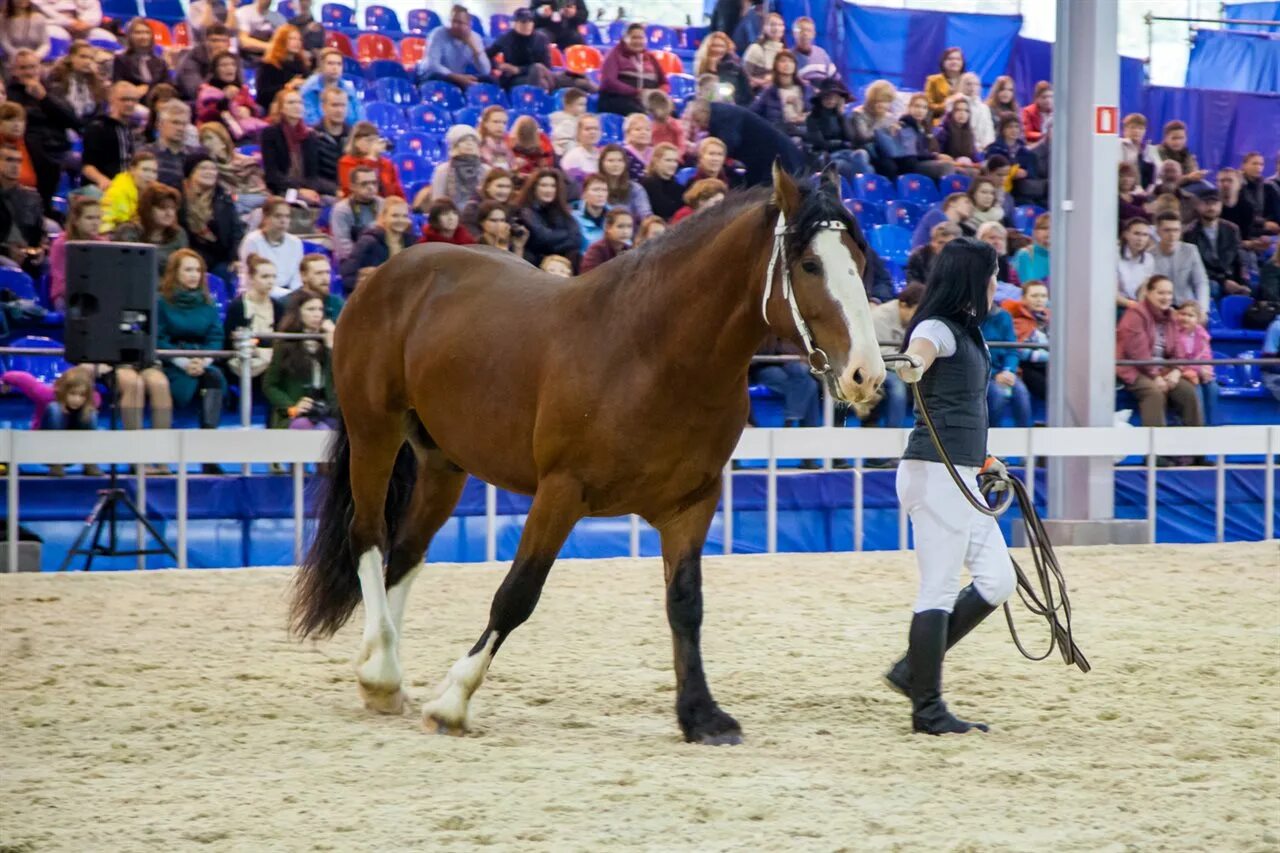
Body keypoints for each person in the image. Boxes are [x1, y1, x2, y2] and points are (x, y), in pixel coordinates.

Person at [883, 236, 1017, 736]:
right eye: (993, 274)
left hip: (961, 473)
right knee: (938, 587)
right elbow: (919, 356)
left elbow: (960, 407)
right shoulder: (937, 328)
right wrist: (911, 364)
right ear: (973, 279)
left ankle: (911, 670)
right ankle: (928, 709)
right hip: (936, 475)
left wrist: (982, 456)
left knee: (998, 580)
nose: (997, 282)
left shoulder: (968, 330)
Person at [157, 249, 228, 461]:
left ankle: (208, 452)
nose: (194, 275)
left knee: (214, 378)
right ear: (175, 273)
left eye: (198, 270)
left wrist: (203, 361)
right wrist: (183, 362)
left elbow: (216, 337)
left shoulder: (207, 304)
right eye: (188, 270)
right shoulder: (161, 302)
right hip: (171, 363)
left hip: (201, 361)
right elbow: (158, 339)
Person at [1115, 274, 1204, 432]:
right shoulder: (1135, 314)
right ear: (1149, 293)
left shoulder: (1171, 316)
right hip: (1133, 368)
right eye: (1161, 293)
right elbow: (1137, 353)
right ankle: (1155, 453)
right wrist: (1155, 376)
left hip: (1162, 369)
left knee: (1188, 391)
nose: (1166, 297)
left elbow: (1178, 348)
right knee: (1153, 392)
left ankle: (1196, 453)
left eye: (1169, 293)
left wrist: (1177, 370)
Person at [8, 49, 79, 211]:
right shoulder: (10, 93)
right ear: (14, 71)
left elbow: (73, 121)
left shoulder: (53, 91)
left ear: (40, 68)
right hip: (30, 150)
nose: (29, 72)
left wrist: (44, 99)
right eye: (23, 68)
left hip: (57, 149)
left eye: (33, 67)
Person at [683, 98, 804, 188]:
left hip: (779, 162)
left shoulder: (723, 115)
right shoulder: (720, 113)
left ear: (700, 113)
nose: (698, 126)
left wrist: (697, 150)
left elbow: (728, 144)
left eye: (696, 121)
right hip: (766, 162)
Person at [262, 290, 337, 429]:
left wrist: (331, 348)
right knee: (305, 426)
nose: (317, 314)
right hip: (295, 411)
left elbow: (339, 381)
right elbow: (270, 385)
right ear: (298, 312)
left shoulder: (330, 344)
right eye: (311, 309)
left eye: (320, 309)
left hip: (328, 411)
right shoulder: (285, 344)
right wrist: (291, 407)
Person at [865, 281, 924, 429]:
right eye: (916, 311)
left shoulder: (916, 322)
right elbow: (880, 355)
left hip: (904, 366)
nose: (918, 317)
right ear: (903, 305)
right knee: (898, 389)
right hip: (877, 367)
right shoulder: (879, 318)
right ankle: (894, 437)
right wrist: (909, 363)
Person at [180, 153, 242, 282]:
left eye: (213, 169)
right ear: (191, 172)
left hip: (218, 261)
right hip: (186, 258)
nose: (210, 172)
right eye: (203, 168)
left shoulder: (224, 199)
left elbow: (236, 232)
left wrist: (235, 258)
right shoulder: (179, 199)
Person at [261, 87, 329, 201]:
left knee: (331, 200)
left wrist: (310, 190)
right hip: (281, 189)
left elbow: (312, 175)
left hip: (307, 188)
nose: (297, 106)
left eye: (300, 102)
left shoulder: (310, 136)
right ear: (281, 108)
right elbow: (272, 175)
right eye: (291, 102)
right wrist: (298, 190)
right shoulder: (270, 133)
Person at [224, 252, 283, 381]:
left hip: (273, 363)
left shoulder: (278, 307)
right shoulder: (238, 306)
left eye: (273, 277)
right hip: (245, 363)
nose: (270, 281)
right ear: (251, 278)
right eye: (265, 277)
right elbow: (230, 341)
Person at [112, 183, 189, 275]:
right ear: (147, 209)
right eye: (162, 208)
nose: (169, 213)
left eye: (172, 208)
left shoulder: (179, 234)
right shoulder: (128, 231)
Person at [340, 196, 419, 284]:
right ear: (383, 217)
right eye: (395, 216)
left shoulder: (412, 242)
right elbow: (347, 275)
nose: (401, 220)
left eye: (405, 216)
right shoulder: (368, 242)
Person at [1183, 190, 1248, 298]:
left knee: (1251, 287)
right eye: (1206, 203)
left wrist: (1242, 282)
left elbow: (1239, 259)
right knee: (1213, 287)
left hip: (1230, 276)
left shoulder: (1232, 229)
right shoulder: (1189, 233)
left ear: (1221, 205)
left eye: (1215, 203)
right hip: (1207, 279)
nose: (1211, 207)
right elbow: (1195, 266)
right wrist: (1223, 282)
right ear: (1198, 206)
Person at [196, 51, 269, 142]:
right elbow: (206, 116)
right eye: (224, 65)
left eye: (233, 65)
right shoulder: (206, 90)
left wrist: (249, 110)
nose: (229, 68)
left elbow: (254, 109)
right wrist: (225, 99)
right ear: (215, 70)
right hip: (216, 134)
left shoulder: (242, 89)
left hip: (243, 133)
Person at [515, 167, 581, 268]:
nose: (548, 190)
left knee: (575, 254)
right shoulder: (525, 211)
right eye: (543, 185)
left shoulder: (560, 210)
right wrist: (566, 234)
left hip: (557, 260)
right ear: (534, 188)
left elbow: (575, 238)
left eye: (553, 186)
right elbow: (543, 237)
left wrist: (553, 242)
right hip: (533, 263)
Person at [239, 196, 304, 296]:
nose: (283, 221)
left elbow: (297, 279)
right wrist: (287, 296)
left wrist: (295, 297)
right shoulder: (252, 241)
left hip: (289, 294)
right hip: (259, 293)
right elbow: (253, 280)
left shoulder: (296, 243)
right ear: (265, 218)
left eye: (287, 216)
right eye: (278, 216)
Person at [981, 299, 1032, 427]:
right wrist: (993, 375)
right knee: (997, 395)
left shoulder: (1004, 316)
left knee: (1022, 393)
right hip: (982, 374)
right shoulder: (968, 319)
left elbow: (1012, 350)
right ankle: (991, 438)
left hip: (1004, 371)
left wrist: (1008, 370)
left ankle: (1024, 442)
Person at [80, 81, 139, 191]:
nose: (129, 104)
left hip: (128, 189)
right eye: (124, 99)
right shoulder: (98, 128)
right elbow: (87, 166)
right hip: (103, 190)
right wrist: (103, 180)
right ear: (111, 99)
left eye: (133, 100)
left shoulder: (134, 130)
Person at [199, 120, 268, 211]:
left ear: (223, 140)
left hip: (255, 200)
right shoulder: (210, 168)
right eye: (202, 140)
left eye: (209, 138)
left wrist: (238, 196)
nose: (206, 144)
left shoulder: (246, 163)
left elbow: (261, 194)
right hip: (231, 204)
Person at [417, 4, 491, 89]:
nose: (454, 25)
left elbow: (485, 71)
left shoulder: (475, 38)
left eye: (459, 23)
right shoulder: (438, 34)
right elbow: (432, 65)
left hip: (458, 77)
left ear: (468, 25)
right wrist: (458, 78)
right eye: (453, 21)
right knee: (437, 76)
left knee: (488, 80)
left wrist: (475, 49)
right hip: (431, 75)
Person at [598, 22, 666, 115]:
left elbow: (664, 82)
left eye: (641, 38)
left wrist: (658, 94)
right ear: (625, 39)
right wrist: (636, 92)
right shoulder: (614, 55)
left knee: (670, 112)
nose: (638, 41)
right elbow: (608, 81)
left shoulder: (650, 57)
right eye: (634, 37)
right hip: (619, 99)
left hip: (647, 99)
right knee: (641, 113)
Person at [48, 195, 102, 310]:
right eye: (90, 218)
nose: (95, 223)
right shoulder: (61, 244)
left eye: (98, 218)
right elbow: (60, 282)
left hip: (96, 295)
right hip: (66, 297)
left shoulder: (103, 244)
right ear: (76, 220)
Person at [1151, 210, 1209, 314]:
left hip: (1186, 308)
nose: (1172, 234)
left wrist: (1203, 310)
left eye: (1176, 230)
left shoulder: (1190, 251)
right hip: (1159, 309)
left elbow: (1201, 282)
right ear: (1158, 231)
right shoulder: (1149, 255)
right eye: (1167, 230)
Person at [803, 77, 861, 181]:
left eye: (834, 97)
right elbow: (820, 143)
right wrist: (841, 143)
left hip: (845, 152)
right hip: (826, 154)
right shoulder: (812, 118)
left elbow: (851, 138)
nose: (831, 100)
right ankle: (851, 191)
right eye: (827, 97)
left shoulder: (840, 116)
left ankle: (863, 191)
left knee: (861, 157)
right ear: (820, 98)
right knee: (845, 165)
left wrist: (841, 115)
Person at [486, 8, 557, 92]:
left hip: (540, 74)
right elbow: (487, 55)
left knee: (540, 70)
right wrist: (498, 66)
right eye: (523, 22)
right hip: (515, 78)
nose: (527, 25)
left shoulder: (541, 38)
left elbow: (546, 66)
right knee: (542, 82)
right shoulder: (506, 38)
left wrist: (518, 69)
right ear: (515, 24)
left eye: (530, 21)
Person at [1002, 280, 1049, 402]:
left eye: (1043, 296)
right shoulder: (1016, 320)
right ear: (1023, 298)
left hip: (1049, 364)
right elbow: (1018, 350)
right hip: (1026, 367)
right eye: (1034, 296)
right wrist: (1049, 356)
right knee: (1048, 389)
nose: (1040, 300)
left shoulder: (1051, 318)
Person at [1172, 301, 1217, 426]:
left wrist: (1207, 371)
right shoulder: (1173, 332)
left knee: (1212, 387)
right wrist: (1198, 370)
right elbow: (1176, 359)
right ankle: (1196, 427)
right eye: (1182, 314)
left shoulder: (1202, 335)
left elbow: (1207, 356)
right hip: (1180, 372)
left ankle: (1211, 425)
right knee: (1195, 389)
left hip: (1197, 371)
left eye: (1190, 316)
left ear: (1197, 319)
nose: (1185, 318)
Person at [337, 120, 403, 200]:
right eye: (369, 140)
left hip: (386, 206)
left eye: (375, 140)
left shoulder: (387, 164)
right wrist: (371, 159)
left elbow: (397, 191)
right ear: (356, 143)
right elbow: (354, 191)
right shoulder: (346, 162)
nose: (373, 144)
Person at [429, 123, 489, 208]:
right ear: (454, 144)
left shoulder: (486, 170)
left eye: (473, 140)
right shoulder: (443, 170)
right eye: (464, 140)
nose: (469, 143)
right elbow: (437, 201)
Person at [896, 93, 953, 182]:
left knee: (962, 171)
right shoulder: (905, 125)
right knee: (946, 167)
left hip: (923, 161)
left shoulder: (924, 126)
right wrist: (935, 156)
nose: (920, 110)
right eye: (917, 106)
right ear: (909, 107)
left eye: (924, 107)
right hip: (911, 165)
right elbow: (912, 154)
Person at [256, 25, 311, 118]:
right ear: (281, 41)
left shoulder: (302, 65)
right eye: (292, 39)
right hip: (274, 110)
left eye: (299, 39)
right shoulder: (269, 65)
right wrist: (288, 86)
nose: (296, 42)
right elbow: (263, 95)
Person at [47, 40, 107, 123]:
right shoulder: (57, 80)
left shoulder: (96, 84)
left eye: (91, 58)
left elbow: (99, 115)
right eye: (83, 57)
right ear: (71, 57)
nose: (87, 62)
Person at [148, 100, 204, 190]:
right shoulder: (147, 154)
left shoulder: (197, 156)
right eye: (175, 122)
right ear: (160, 125)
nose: (181, 128)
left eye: (184, 124)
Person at [100, 149, 157, 233]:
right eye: (145, 170)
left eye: (154, 172)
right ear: (132, 170)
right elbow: (109, 223)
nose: (150, 175)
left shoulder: (155, 191)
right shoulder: (119, 190)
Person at [301, 48, 361, 126]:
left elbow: (359, 118)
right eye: (330, 63)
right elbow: (310, 120)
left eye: (339, 64)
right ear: (321, 66)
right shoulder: (309, 88)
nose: (335, 68)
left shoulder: (349, 89)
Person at [693, 31, 751, 108]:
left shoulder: (735, 69)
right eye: (714, 45)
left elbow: (746, 95)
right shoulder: (700, 66)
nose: (717, 49)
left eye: (721, 46)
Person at [310, 86, 350, 195]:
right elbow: (310, 176)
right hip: (324, 193)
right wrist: (335, 190)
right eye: (334, 105)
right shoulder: (311, 135)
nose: (339, 110)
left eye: (343, 105)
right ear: (323, 107)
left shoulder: (353, 135)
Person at [176, 23, 232, 100]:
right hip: (190, 101)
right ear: (205, 41)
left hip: (222, 100)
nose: (219, 45)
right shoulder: (192, 58)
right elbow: (195, 89)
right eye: (214, 41)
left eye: (223, 41)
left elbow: (238, 85)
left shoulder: (231, 59)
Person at [598, 143, 652, 223]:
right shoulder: (596, 188)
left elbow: (646, 215)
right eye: (610, 161)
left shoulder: (636, 189)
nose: (616, 164)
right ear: (602, 164)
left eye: (620, 160)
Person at [112, 18, 166, 90]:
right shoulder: (121, 60)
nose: (143, 37)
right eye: (138, 33)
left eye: (147, 32)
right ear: (130, 36)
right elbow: (118, 87)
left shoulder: (160, 62)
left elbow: (167, 86)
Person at [1153, 120, 1208, 190]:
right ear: (1166, 138)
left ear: (1186, 138)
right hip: (1164, 191)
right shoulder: (1157, 153)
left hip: (1185, 190)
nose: (1178, 142)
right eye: (1174, 138)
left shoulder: (1187, 154)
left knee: (1206, 187)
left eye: (1181, 138)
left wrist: (1197, 175)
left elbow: (1193, 172)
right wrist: (1189, 178)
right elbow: (1165, 182)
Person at [460, 167, 514, 237]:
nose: (504, 191)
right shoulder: (473, 208)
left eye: (508, 187)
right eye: (500, 186)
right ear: (487, 187)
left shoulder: (510, 208)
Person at [1117, 216, 1155, 311]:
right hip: (1115, 305)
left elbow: (1143, 289)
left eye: (1145, 235)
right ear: (1126, 234)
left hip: (1135, 305)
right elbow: (1111, 293)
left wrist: (1139, 306)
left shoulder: (1149, 259)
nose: (1140, 239)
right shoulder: (1114, 255)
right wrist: (1135, 306)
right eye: (1136, 234)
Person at [907, 221, 961, 286]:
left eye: (948, 244)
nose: (945, 247)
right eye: (940, 242)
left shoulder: (961, 263)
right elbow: (913, 287)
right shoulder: (919, 257)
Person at [742, 12, 785, 92]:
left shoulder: (784, 51)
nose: (776, 28)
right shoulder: (755, 49)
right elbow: (744, 77)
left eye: (780, 25)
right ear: (764, 27)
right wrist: (763, 82)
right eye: (772, 25)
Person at [934, 97, 979, 174]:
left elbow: (974, 156)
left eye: (966, 111)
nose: (962, 113)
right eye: (958, 110)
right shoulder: (943, 131)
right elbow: (937, 155)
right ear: (952, 112)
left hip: (966, 166)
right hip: (949, 167)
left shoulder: (970, 133)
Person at [580, 207, 631, 272]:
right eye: (620, 226)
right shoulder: (596, 250)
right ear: (608, 228)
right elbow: (589, 278)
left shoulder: (630, 250)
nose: (626, 232)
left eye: (629, 226)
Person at [641, 143, 684, 221]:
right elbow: (663, 210)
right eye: (668, 160)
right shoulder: (649, 183)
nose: (673, 164)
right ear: (656, 161)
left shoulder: (678, 186)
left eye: (675, 161)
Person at [235, 0, 286, 65]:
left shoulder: (279, 18)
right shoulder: (243, 12)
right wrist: (272, 47)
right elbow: (244, 41)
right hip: (246, 60)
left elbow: (284, 43)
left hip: (271, 62)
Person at [508, 115, 555, 183]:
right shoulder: (509, 143)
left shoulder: (544, 145)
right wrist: (514, 166)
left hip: (537, 181)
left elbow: (547, 169)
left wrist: (538, 171)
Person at [924, 47, 964, 124]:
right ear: (943, 62)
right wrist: (946, 105)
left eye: (958, 59)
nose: (954, 62)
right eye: (950, 59)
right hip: (940, 123)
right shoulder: (933, 80)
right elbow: (928, 107)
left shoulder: (968, 80)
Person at [298, 252, 343, 320]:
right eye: (319, 273)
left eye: (327, 272)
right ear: (303, 276)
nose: (325, 278)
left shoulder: (338, 303)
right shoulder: (288, 302)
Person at [559, 112, 601, 183]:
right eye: (587, 129)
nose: (592, 132)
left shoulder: (602, 155)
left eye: (596, 129)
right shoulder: (572, 156)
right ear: (578, 133)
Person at [570, 172, 609, 251]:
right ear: (584, 194)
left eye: (604, 190)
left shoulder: (615, 215)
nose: (600, 194)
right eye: (596, 190)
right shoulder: (573, 218)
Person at [958, 73, 994, 151]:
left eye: (976, 84)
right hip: (963, 148)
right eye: (968, 84)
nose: (972, 87)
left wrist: (987, 147)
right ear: (961, 85)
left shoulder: (984, 108)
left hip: (983, 148)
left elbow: (989, 130)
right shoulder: (954, 104)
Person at [646, 89, 686, 156]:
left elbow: (681, 145)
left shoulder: (675, 124)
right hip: (655, 158)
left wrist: (676, 157)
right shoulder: (648, 125)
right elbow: (648, 146)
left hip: (673, 157)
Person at [1012, 213, 1050, 284]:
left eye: (1053, 228)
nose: (1049, 232)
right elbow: (1025, 285)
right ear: (1035, 232)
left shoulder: (1065, 256)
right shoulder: (1025, 254)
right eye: (1044, 228)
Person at [1120, 112, 1155, 188]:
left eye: (1140, 128)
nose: (1136, 131)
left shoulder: (1148, 149)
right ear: (1124, 130)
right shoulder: (1119, 145)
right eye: (1132, 127)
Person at [549, 87, 587, 157]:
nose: (584, 108)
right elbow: (563, 143)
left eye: (585, 105)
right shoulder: (562, 121)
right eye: (580, 105)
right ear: (568, 105)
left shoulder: (580, 119)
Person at [476, 105, 514, 171]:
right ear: (485, 123)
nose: (501, 126)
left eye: (504, 123)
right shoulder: (476, 145)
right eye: (496, 122)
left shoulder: (506, 146)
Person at [621, 113, 653, 179]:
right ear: (628, 133)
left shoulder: (656, 153)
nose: (643, 132)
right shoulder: (622, 153)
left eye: (647, 130)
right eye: (638, 129)